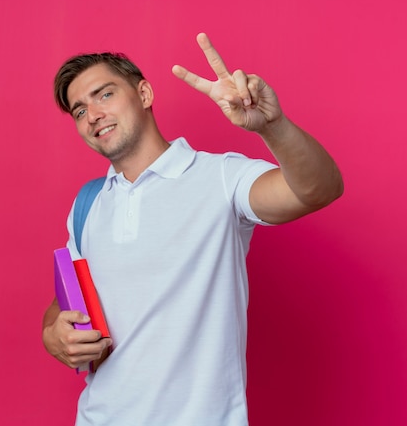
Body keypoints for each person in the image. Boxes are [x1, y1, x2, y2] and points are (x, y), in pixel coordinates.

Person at [42, 33, 343, 426]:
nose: (92, 115)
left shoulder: (220, 177)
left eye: (104, 94)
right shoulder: (88, 204)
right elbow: (69, 298)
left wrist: (274, 127)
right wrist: (52, 333)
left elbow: (320, 189)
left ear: (144, 93)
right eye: (79, 111)